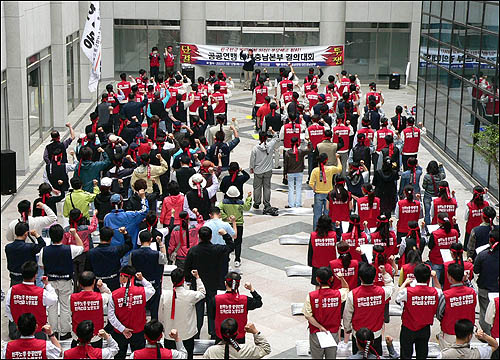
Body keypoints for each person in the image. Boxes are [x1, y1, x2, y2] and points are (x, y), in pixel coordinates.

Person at [184, 226, 235, 339]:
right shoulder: (217, 249)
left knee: (198, 309)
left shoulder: (193, 251)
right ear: (211, 236)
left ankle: (196, 333)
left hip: (198, 285)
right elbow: (231, 246)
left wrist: (188, 280)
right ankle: (213, 332)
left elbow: (186, 268)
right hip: (214, 284)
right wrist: (225, 234)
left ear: (199, 237)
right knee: (213, 308)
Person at [38, 225, 84, 340]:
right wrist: (74, 234)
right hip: (66, 281)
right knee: (65, 306)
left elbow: (42, 266)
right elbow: (81, 247)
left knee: (51, 307)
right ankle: (65, 332)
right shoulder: (69, 249)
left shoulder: (44, 250)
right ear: (63, 236)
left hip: (50, 282)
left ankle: (52, 331)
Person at [343, 263, 394, 356]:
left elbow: (347, 314)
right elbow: (391, 286)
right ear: (374, 277)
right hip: (376, 334)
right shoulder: (382, 292)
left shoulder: (352, 294)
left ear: (360, 278)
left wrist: (347, 328)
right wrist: (384, 273)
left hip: (358, 335)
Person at [108, 265, 156, 359]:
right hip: (138, 331)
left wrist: (123, 329)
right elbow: (152, 289)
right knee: (139, 356)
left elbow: (111, 316)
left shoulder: (114, 295)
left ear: (122, 277)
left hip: (120, 333)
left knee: (119, 356)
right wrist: (142, 279)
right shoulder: (142, 292)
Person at [396, 263, 441, 359]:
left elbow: (398, 297)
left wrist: (405, 283)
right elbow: (440, 291)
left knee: (405, 354)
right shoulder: (434, 292)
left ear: (415, 276)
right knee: (422, 354)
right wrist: (435, 278)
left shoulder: (407, 291)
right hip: (425, 328)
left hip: (408, 327)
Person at [303, 266, 349, 359]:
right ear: (331, 278)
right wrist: (341, 278)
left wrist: (320, 327)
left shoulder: (311, 296)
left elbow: (308, 315)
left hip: (316, 333)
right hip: (333, 333)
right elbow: (346, 288)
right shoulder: (338, 294)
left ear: (317, 279)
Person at [160, 268, 205, 359]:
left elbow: (160, 315)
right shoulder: (190, 295)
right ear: (183, 279)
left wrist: (163, 329)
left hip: (169, 335)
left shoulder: (164, 295)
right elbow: (202, 292)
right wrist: (197, 278)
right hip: (186, 335)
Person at [5, 261, 58, 340]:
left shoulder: (12, 290)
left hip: (20, 331)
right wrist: (47, 285)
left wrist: (14, 320)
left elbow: (7, 308)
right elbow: (54, 299)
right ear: (35, 275)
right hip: (38, 332)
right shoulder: (41, 293)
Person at [437, 263, 478, 349]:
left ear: (450, 277)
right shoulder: (472, 292)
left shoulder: (445, 295)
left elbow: (439, 315)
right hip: (468, 333)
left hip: (450, 332)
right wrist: (466, 280)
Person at [214, 272, 263, 343]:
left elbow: (212, 316)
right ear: (238, 285)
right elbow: (259, 302)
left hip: (221, 337)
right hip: (239, 337)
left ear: (225, 283)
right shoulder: (245, 300)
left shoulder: (216, 299)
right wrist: (251, 289)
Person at [129, 230, 167, 320]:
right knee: (155, 311)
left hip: (138, 286)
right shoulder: (157, 254)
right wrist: (161, 243)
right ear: (151, 239)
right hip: (154, 285)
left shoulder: (133, 254)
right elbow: (164, 260)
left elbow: (130, 268)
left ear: (139, 240)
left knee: (138, 311)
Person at [69, 271, 111, 347]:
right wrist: (102, 286)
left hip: (77, 337)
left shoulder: (71, 298)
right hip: (95, 338)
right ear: (94, 282)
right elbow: (109, 294)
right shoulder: (101, 298)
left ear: (79, 283)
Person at [86, 227, 132, 291]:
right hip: (113, 282)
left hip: (98, 283)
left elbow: (88, 270)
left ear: (100, 236)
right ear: (111, 238)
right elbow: (129, 245)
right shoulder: (116, 250)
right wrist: (125, 233)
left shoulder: (91, 253)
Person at [63, 208, 98, 292]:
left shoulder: (66, 230)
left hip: (72, 254)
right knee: (83, 274)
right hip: (84, 254)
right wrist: (94, 215)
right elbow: (94, 226)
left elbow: (64, 243)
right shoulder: (85, 228)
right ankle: (83, 290)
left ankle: (75, 291)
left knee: (74, 275)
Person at [474, 229, 499, 335]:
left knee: (485, 313)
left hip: (485, 289)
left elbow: (476, 270)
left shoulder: (482, 255)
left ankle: (488, 336)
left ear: (490, 240)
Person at [203, 319, 271, 359]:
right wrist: (255, 332)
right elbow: (265, 349)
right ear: (237, 333)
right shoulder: (245, 350)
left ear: (220, 333)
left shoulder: (211, 351)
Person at [219, 187, 252, 267]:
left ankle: (227, 258)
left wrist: (225, 217)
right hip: (238, 224)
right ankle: (237, 259)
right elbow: (247, 207)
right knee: (238, 242)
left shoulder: (223, 202)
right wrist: (249, 198)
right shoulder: (240, 202)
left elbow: (219, 209)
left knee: (226, 241)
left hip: (227, 224)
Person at [249, 131, 280, 215]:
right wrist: (272, 131)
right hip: (268, 170)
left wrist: (251, 168)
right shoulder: (270, 145)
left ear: (259, 137)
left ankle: (256, 203)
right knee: (267, 187)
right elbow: (277, 137)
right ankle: (266, 203)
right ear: (267, 137)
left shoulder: (255, 148)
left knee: (257, 187)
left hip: (258, 171)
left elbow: (252, 159)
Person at [309, 152, 343, 229]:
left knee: (317, 214)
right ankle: (328, 230)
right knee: (328, 214)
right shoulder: (331, 169)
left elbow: (311, 183)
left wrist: (314, 189)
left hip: (319, 194)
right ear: (326, 160)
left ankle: (316, 230)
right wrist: (338, 158)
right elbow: (340, 169)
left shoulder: (315, 170)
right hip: (329, 194)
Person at [307, 215, 339, 286]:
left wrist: (310, 263)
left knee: (317, 285)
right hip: (330, 265)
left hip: (317, 264)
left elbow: (310, 250)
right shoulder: (333, 235)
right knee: (330, 285)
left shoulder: (313, 235)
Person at [428, 213, 459, 285]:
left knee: (436, 284)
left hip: (437, 261)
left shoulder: (435, 233)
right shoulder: (454, 232)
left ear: (438, 222)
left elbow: (430, 246)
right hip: (450, 262)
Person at [283, 136, 311, 208]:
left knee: (291, 189)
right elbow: (311, 149)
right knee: (298, 188)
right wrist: (308, 141)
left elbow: (285, 164)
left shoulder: (287, 153)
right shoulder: (301, 152)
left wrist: (284, 174)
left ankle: (291, 204)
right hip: (299, 172)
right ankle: (298, 204)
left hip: (290, 172)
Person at [422, 160, 446, 224]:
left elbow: (424, 186)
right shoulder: (440, 176)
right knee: (435, 212)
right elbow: (444, 174)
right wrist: (441, 167)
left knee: (427, 213)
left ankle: (427, 228)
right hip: (437, 196)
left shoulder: (426, 176)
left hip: (428, 196)